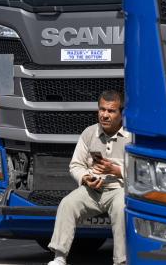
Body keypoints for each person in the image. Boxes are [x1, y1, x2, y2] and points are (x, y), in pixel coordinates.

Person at [48, 90, 129, 265]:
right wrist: (85, 178)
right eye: (102, 109)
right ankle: (59, 257)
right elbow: (75, 165)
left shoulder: (132, 136)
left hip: (119, 190)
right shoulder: (89, 133)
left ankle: (121, 261)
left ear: (122, 113)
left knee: (121, 208)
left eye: (111, 111)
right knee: (67, 203)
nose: (104, 115)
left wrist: (116, 170)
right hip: (93, 190)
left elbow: (141, 170)